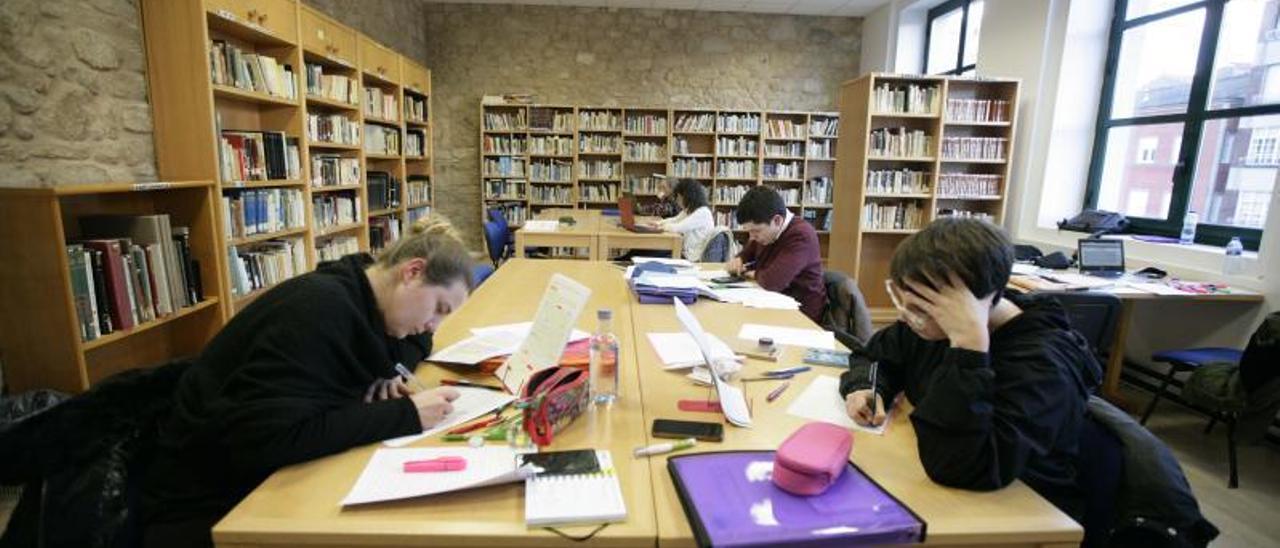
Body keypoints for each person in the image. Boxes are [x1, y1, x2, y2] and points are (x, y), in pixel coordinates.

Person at [140, 218, 474, 548]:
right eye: (439, 308)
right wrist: (406, 414)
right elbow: (267, 440)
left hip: (261, 476)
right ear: (412, 272)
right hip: (212, 500)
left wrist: (389, 372)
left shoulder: (368, 296)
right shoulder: (318, 310)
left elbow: (417, 344)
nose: (433, 326)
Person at [839, 217, 1101, 522]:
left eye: (923, 307)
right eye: (908, 303)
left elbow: (960, 466)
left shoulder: (1044, 364)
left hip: (1018, 515)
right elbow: (875, 357)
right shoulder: (931, 325)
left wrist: (968, 347)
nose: (910, 317)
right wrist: (866, 387)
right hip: (940, 488)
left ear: (978, 301)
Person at [725, 186, 825, 322]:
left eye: (756, 231)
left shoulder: (801, 235)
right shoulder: (767, 233)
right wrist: (739, 259)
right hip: (771, 302)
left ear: (777, 221)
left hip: (801, 315)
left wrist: (754, 273)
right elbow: (749, 251)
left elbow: (773, 281)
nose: (752, 237)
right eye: (749, 232)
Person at [646, 178, 714, 260]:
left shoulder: (702, 212)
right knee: (649, 252)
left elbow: (678, 227)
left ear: (687, 196)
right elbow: (675, 219)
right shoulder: (690, 210)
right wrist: (659, 223)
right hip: (683, 251)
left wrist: (660, 227)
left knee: (651, 255)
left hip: (691, 257)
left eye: (679, 197)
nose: (678, 200)